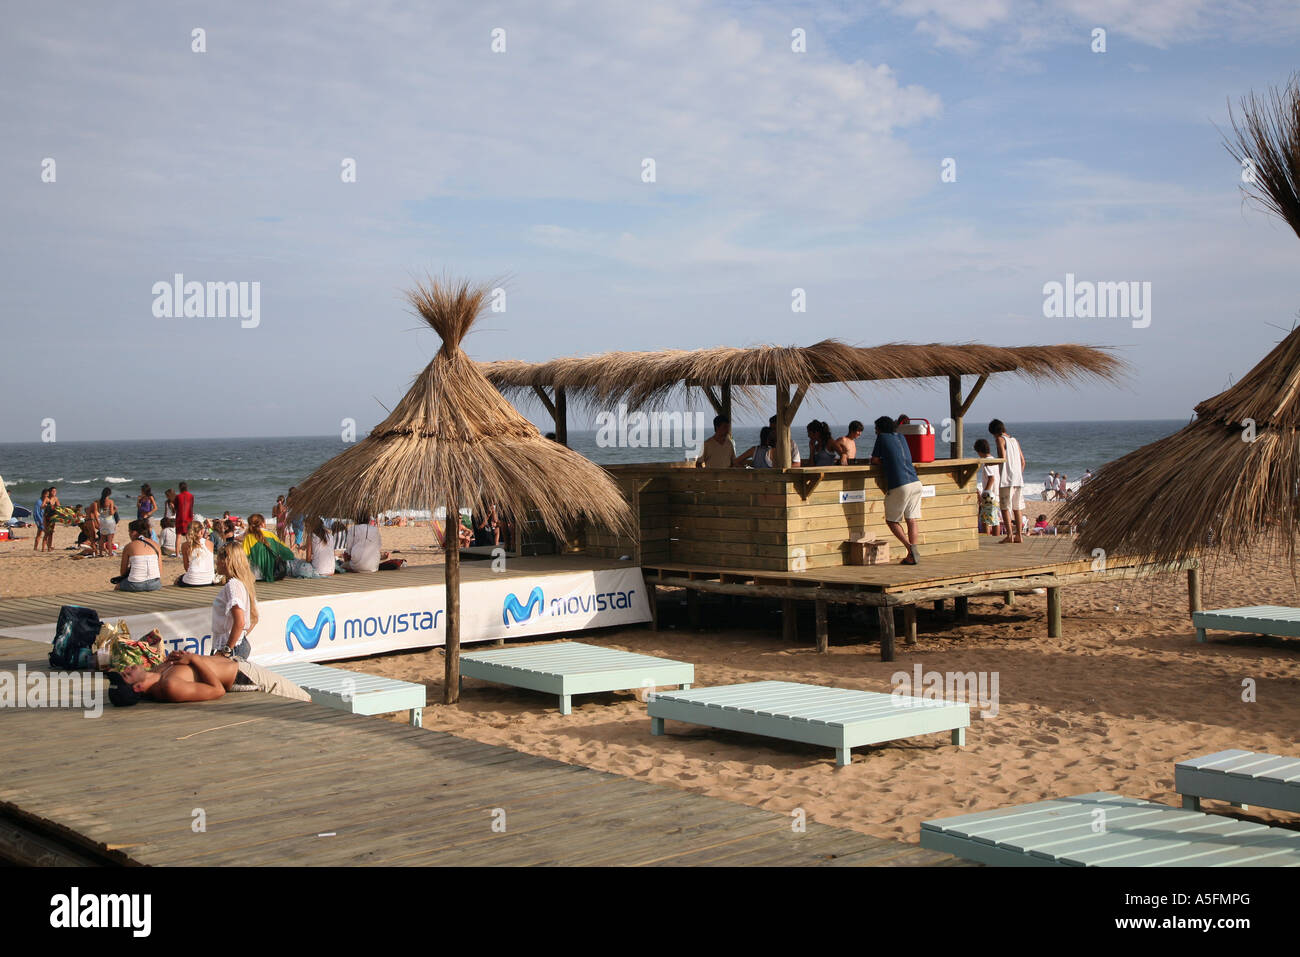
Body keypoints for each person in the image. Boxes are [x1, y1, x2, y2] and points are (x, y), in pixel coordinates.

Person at [109, 649, 311, 705]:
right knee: (305, 699)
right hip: (244, 676)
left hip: (237, 663)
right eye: (126, 676)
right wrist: (195, 659)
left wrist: (174, 658)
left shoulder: (156, 674)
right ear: (136, 688)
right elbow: (217, 691)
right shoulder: (169, 686)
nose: (126, 669)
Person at [870, 415, 922, 565]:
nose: (875, 431)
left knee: (891, 520)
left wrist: (884, 461)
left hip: (900, 484)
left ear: (880, 429)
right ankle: (911, 554)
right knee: (911, 519)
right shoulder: (901, 437)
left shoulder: (882, 438)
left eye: (876, 429)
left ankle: (910, 548)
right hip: (916, 482)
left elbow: (874, 460)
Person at [212, 544, 258, 658]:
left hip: (230, 646)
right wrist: (241, 637)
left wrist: (227, 649)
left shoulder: (233, 585)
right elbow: (254, 618)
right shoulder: (243, 583)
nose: (216, 563)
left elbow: (240, 621)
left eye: (218, 559)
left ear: (226, 561)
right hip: (237, 644)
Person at [990, 419, 1026, 544]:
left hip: (1007, 479)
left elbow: (1002, 458)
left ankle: (1010, 535)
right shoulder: (1015, 441)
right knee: (1017, 508)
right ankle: (1019, 535)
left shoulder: (1000, 439)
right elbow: (1023, 461)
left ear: (995, 432)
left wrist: (991, 463)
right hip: (1018, 479)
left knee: (1005, 507)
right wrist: (1018, 473)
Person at [241, 513, 296, 581]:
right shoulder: (270, 535)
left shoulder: (248, 538)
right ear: (262, 524)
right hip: (272, 574)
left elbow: (242, 556)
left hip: (256, 575)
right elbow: (287, 553)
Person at [115, 519, 162, 591]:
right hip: (155, 584)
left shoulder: (129, 546)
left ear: (134, 532)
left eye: (129, 532)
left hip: (135, 584)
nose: (129, 535)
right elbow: (160, 570)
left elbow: (123, 572)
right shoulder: (156, 545)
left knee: (118, 586)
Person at [974, 438, 1001, 536]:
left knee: (985, 519)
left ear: (980, 451)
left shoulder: (987, 463)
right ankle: (995, 537)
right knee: (995, 519)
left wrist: (984, 494)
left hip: (989, 495)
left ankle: (988, 537)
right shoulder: (995, 460)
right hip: (996, 492)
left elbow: (991, 479)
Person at [178, 521, 216, 586]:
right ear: (201, 531)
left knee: (178, 579)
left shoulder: (185, 545)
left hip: (191, 580)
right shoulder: (210, 544)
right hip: (209, 580)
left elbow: (186, 567)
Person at [95, 488, 117, 557]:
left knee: (102, 538)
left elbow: (98, 511)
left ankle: (101, 553)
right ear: (109, 494)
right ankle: (110, 553)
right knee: (110, 538)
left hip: (102, 520)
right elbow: (111, 513)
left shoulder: (98, 501)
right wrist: (115, 510)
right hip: (109, 520)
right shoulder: (110, 501)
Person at [41, 487, 59, 552]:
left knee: (51, 533)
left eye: (55, 491)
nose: (54, 492)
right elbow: (41, 507)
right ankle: (43, 549)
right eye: (53, 491)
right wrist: (46, 505)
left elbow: (59, 507)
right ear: (50, 492)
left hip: (53, 518)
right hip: (46, 517)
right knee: (46, 533)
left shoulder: (56, 499)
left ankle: (49, 548)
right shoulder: (46, 499)